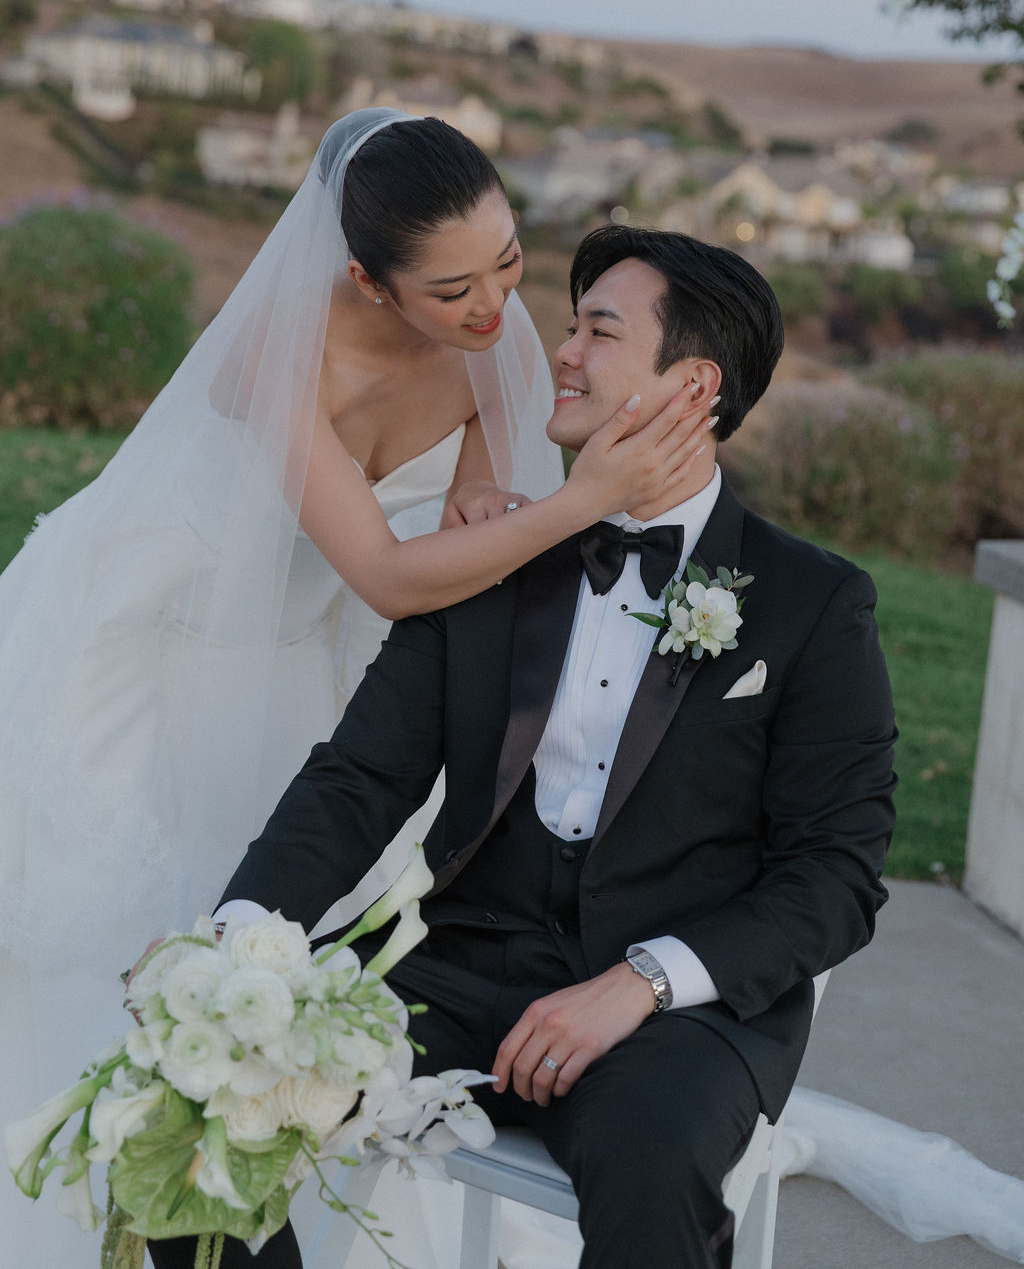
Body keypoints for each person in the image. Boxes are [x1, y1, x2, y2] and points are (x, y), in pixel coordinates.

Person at [0, 116, 710, 1269]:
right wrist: (586, 498)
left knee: (283, 961)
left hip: (295, 662)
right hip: (137, 650)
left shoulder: (486, 324)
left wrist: (491, 502)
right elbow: (383, 569)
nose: (493, 308)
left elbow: (475, 519)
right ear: (364, 282)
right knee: (111, 945)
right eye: (451, 289)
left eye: (509, 262)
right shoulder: (270, 360)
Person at [204, 225, 899, 1269]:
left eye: (597, 331)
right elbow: (360, 780)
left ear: (691, 383)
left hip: (670, 1014)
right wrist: (239, 932)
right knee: (200, 1099)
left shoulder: (813, 603)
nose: (559, 352)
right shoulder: (491, 558)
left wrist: (639, 983)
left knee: (652, 1169)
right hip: (454, 967)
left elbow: (836, 875)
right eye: (568, 324)